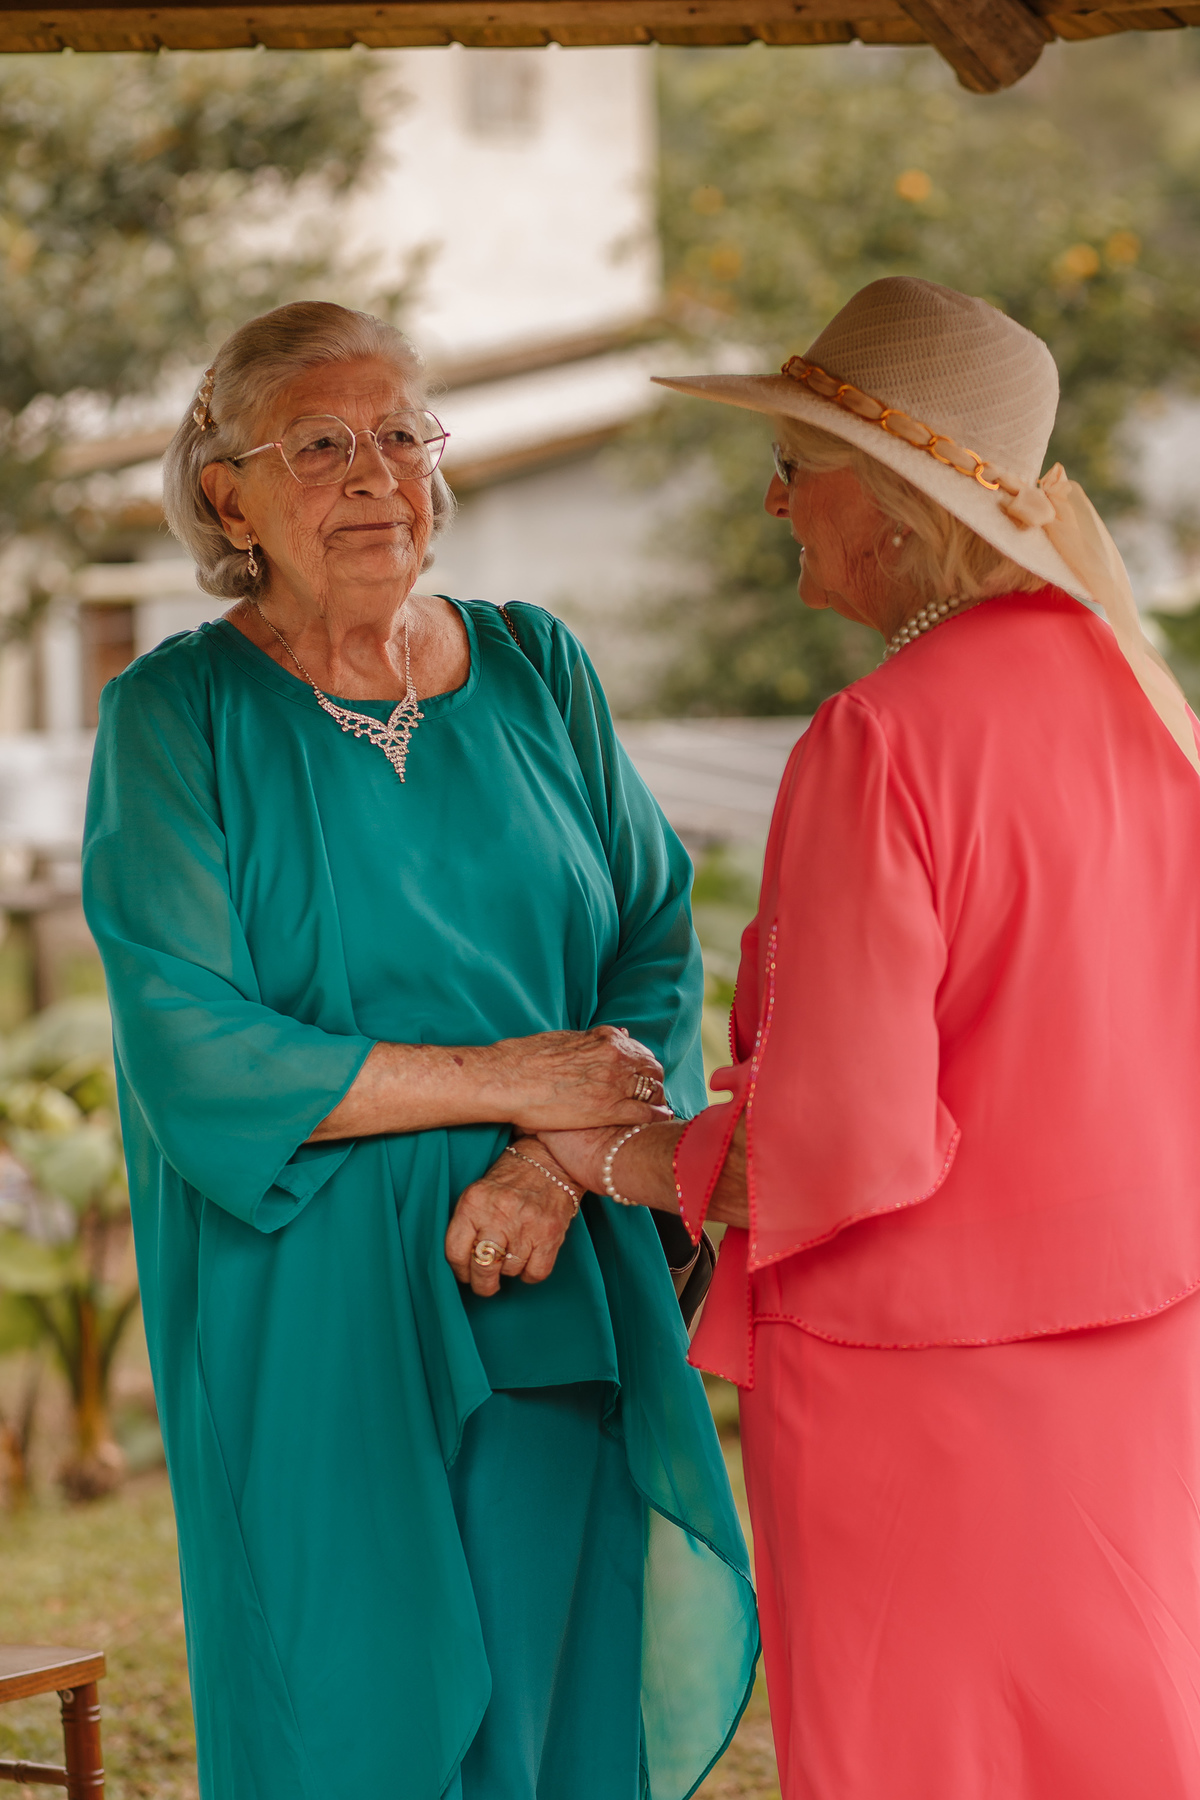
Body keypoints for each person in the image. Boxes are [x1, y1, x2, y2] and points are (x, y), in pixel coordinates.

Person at [81, 300, 757, 1800]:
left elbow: (653, 943)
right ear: (229, 499)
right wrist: (519, 1082)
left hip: (543, 1269)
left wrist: (552, 1168)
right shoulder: (175, 715)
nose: (376, 473)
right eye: (320, 445)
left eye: (401, 433)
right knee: (347, 1715)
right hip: (305, 1304)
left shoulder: (537, 667)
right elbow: (192, 1046)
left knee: (547, 1700)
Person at [542, 276, 1200, 1799]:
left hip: (916, 1391)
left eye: (795, 462)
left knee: (922, 1756)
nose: (774, 499)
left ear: (895, 502)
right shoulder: (1150, 712)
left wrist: (615, 1152)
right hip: (1141, 1350)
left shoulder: (883, 738)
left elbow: (840, 1143)